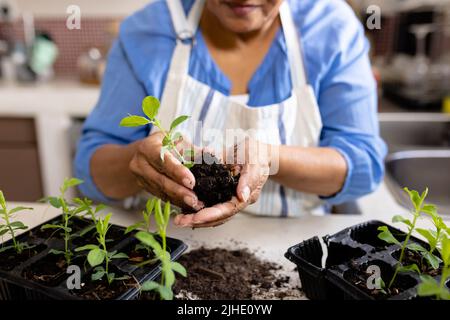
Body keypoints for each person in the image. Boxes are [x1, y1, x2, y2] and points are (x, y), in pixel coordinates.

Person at [74, 0, 387, 228]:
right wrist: (136, 162)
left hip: (292, 252)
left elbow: (362, 165)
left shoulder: (331, 28)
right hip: (164, 248)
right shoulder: (146, 31)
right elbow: (90, 173)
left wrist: (269, 157)